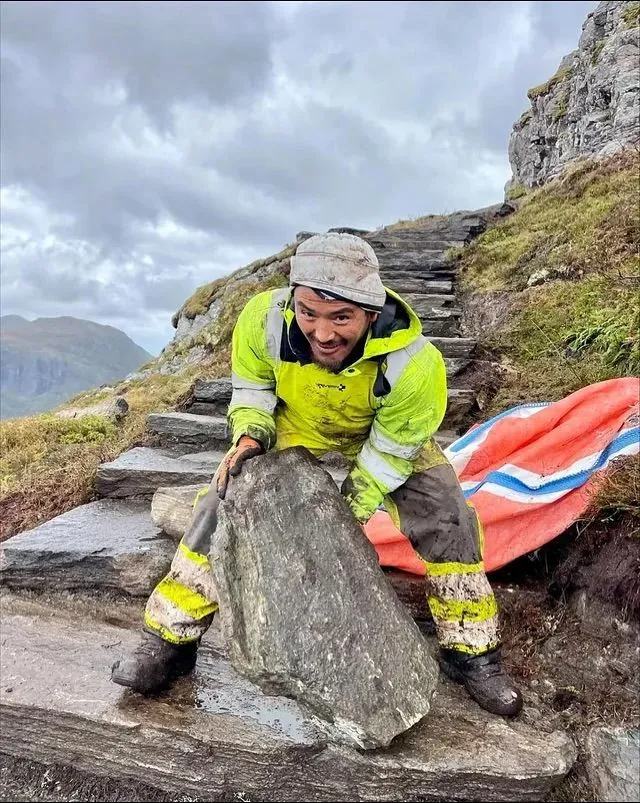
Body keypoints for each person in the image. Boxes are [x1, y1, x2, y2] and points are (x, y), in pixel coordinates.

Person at [111, 232, 523, 718]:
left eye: (341, 317)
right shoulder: (261, 321)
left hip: (380, 433)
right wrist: (250, 435)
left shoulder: (414, 365)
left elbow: (390, 451)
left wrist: (345, 512)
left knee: (449, 516)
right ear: (293, 302)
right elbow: (254, 389)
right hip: (295, 423)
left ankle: (470, 651)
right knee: (221, 502)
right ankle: (168, 641)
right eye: (309, 313)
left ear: (371, 312)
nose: (323, 333)